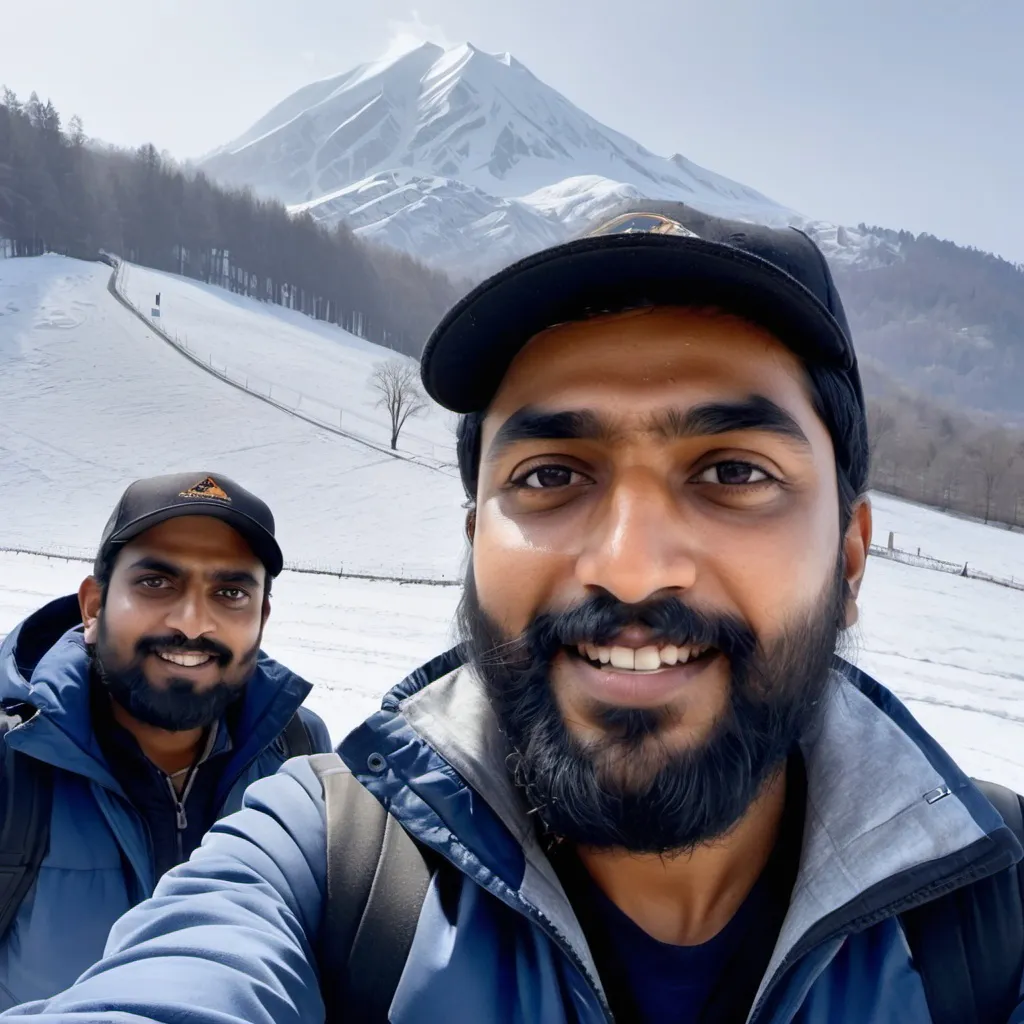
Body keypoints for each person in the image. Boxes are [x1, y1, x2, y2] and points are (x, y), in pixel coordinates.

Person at [3, 205, 1023, 1024]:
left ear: (848, 554)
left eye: (730, 470)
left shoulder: (997, 907)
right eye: (549, 474)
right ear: (473, 540)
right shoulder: (330, 858)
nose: (628, 565)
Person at [0, 472, 331, 1009]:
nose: (193, 622)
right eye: (156, 582)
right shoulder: (13, 757)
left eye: (230, 592)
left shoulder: (299, 749)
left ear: (261, 618)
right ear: (93, 607)